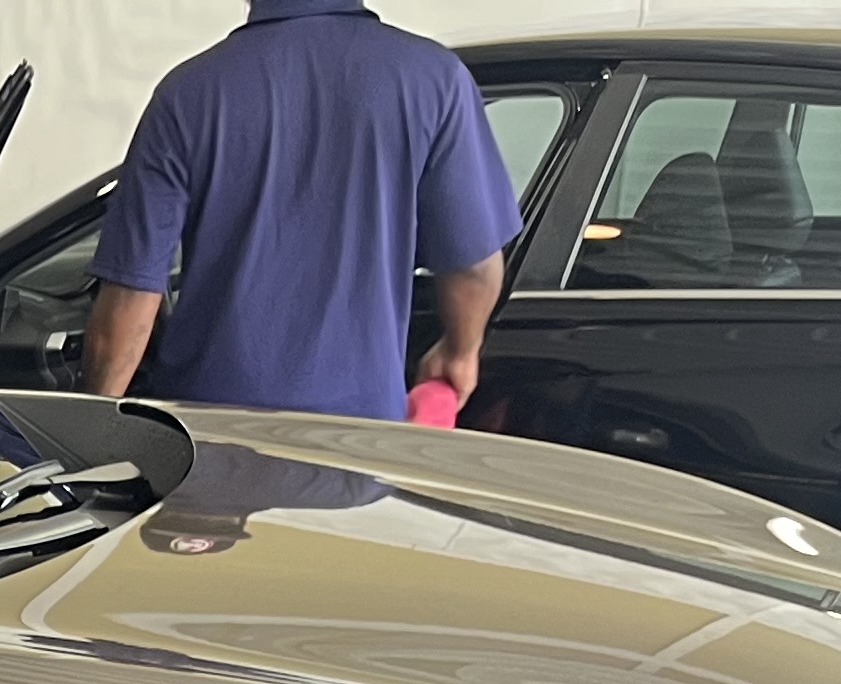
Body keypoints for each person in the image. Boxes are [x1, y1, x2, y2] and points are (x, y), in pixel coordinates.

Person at [83, 0, 519, 424]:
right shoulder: (437, 81)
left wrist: (87, 428)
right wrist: (460, 351)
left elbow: (130, 301)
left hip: (207, 432)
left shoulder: (186, 95)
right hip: (361, 436)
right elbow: (474, 269)